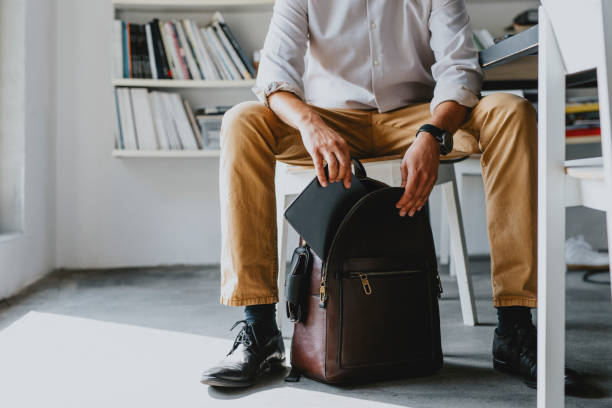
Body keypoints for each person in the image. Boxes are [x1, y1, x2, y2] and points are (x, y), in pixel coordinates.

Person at [201, 0, 579, 389]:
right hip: (330, 120)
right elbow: (274, 77)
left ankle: (514, 329)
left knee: (511, 111)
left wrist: (432, 133)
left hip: (417, 117)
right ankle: (259, 329)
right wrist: (309, 122)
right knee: (241, 122)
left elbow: (459, 69)